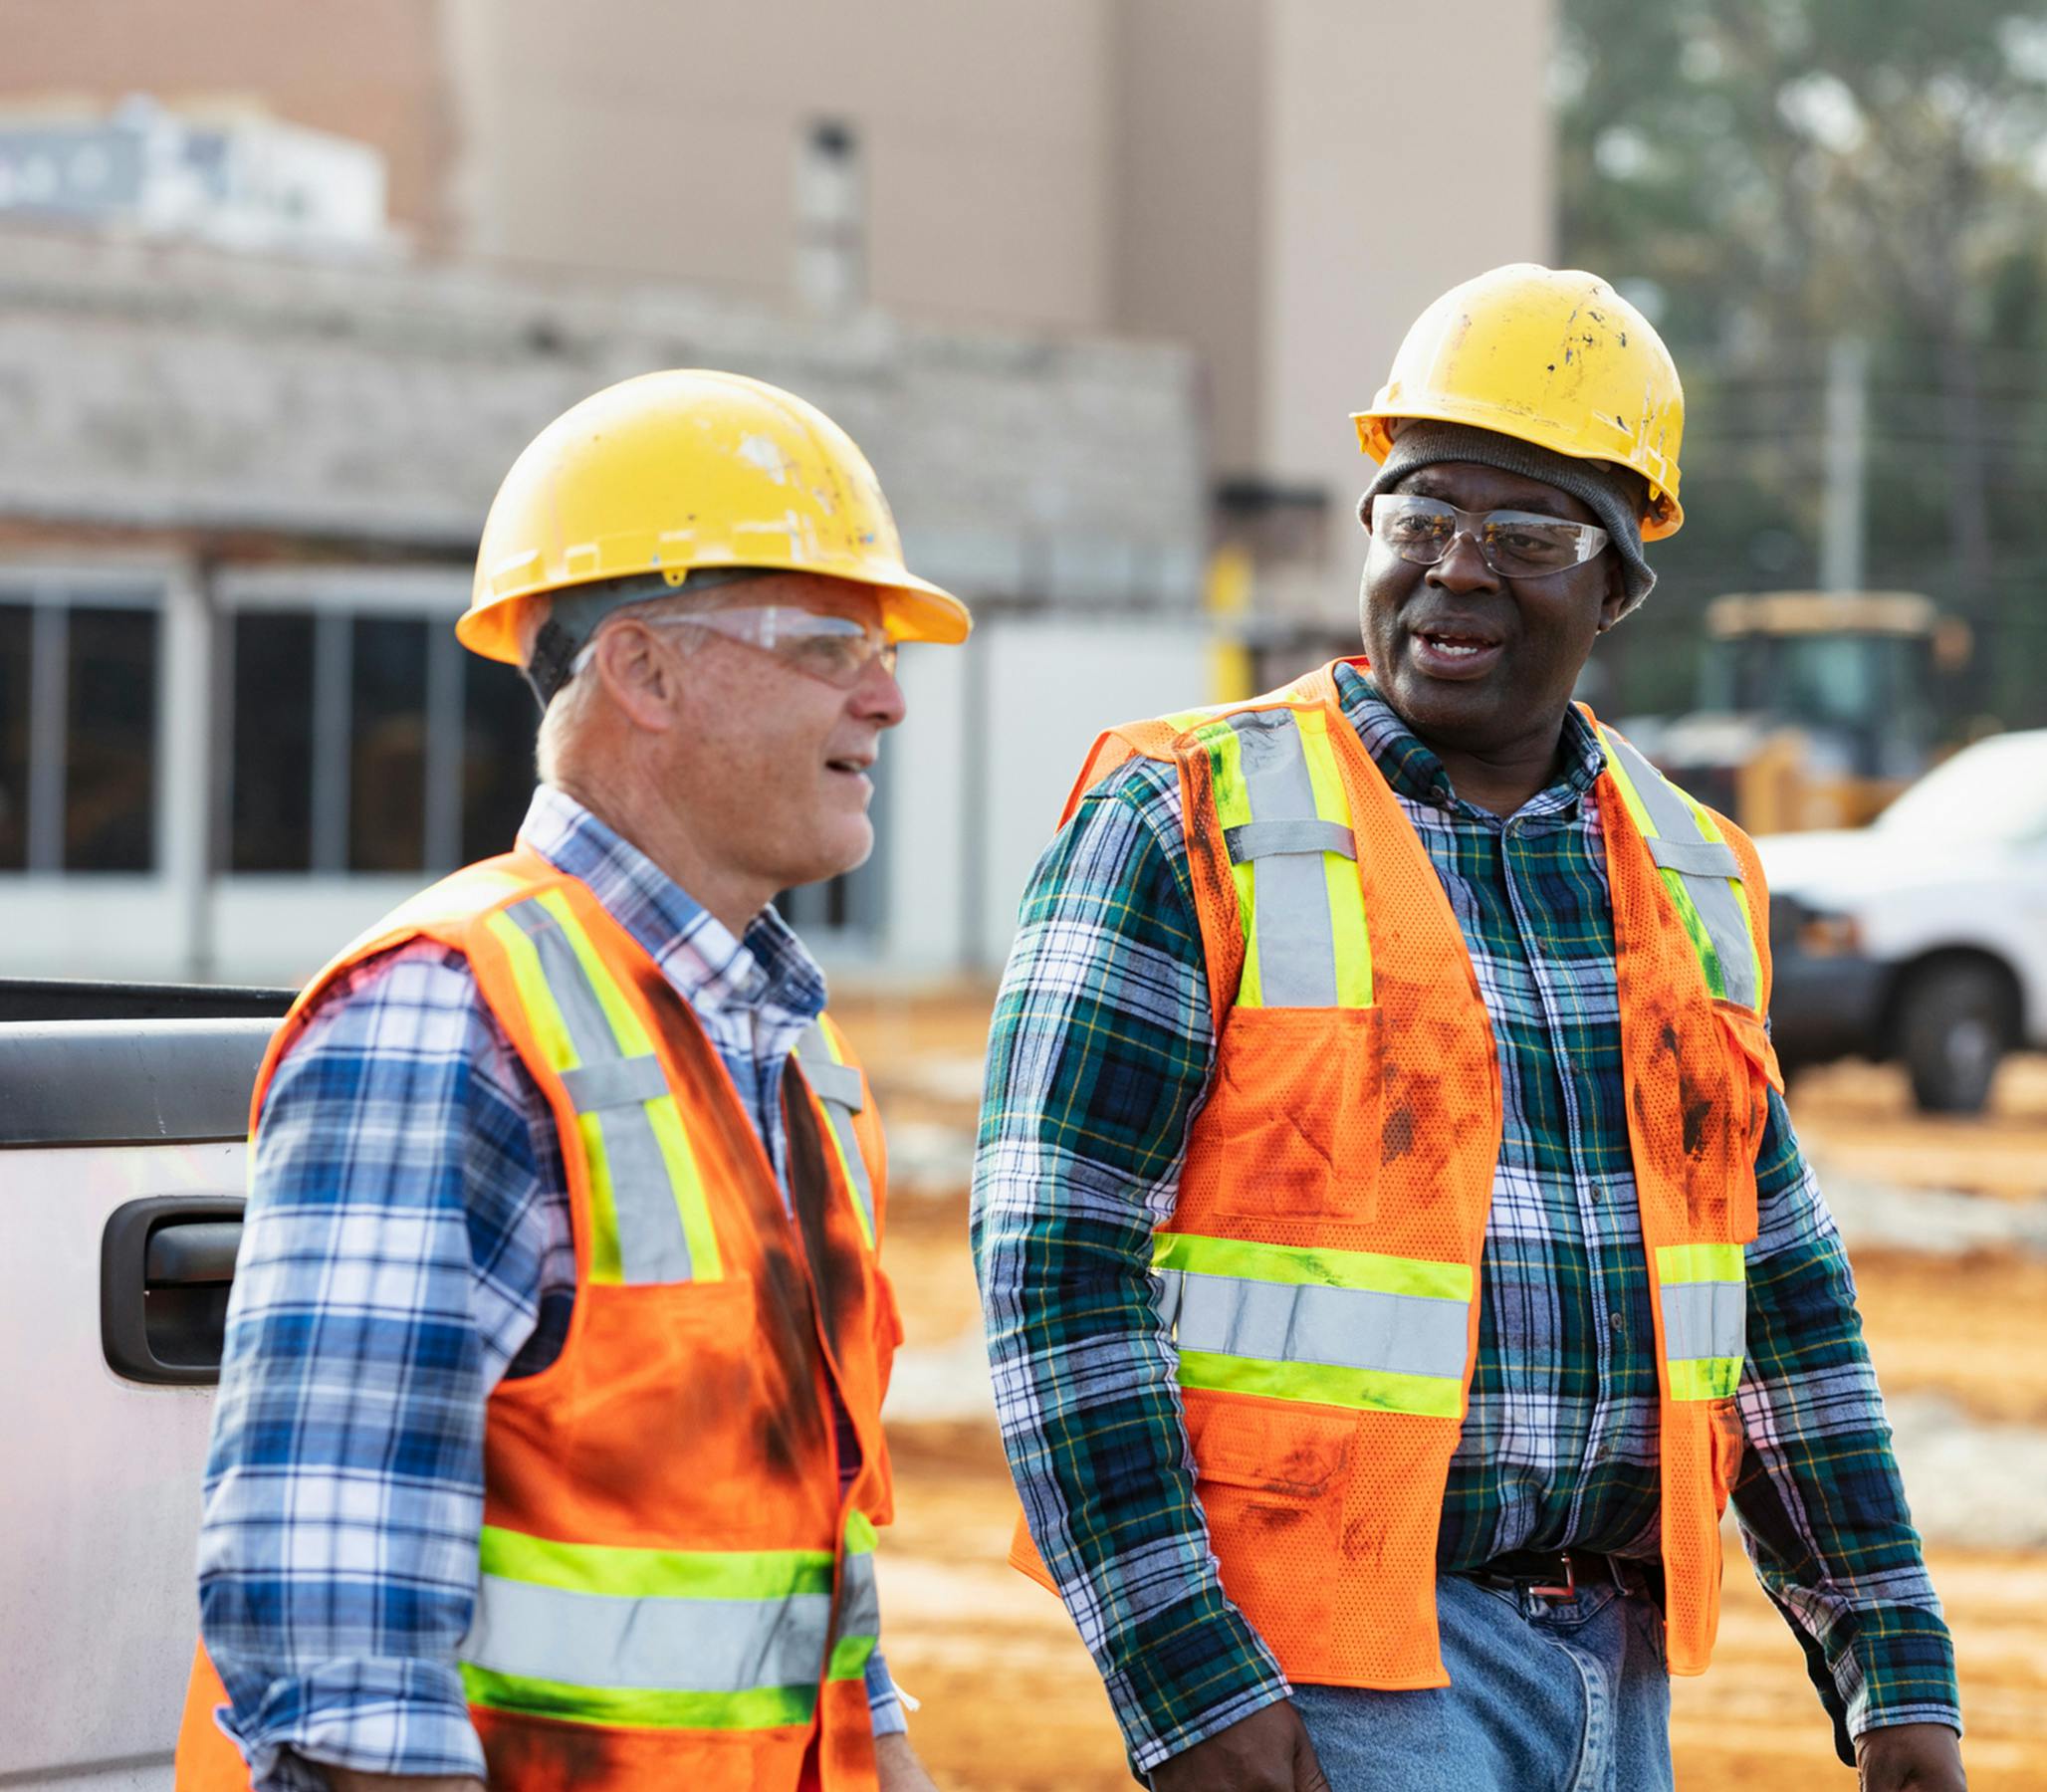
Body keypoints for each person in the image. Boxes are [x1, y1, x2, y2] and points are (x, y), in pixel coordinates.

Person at [972, 265, 1964, 1792]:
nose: (1456, 571)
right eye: (1419, 518)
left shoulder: (1692, 868)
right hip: (1328, 1673)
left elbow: (1776, 1290)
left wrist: (1893, 1659)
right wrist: (1180, 1672)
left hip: (1615, 1679)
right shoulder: (1189, 816)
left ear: (1620, 581)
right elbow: (1056, 1257)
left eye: (1528, 536)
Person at [174, 369, 968, 1792]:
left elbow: (808, 1567)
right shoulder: (447, 1015)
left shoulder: (793, 1058)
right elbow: (341, 1642)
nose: (888, 697)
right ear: (644, 673)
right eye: (829, 644)